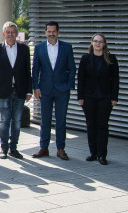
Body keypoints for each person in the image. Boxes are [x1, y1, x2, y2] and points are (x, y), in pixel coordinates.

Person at [32, 21, 76, 160]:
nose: (51, 34)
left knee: (61, 120)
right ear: (45, 32)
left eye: (54, 31)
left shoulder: (67, 47)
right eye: (49, 31)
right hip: (45, 89)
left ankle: (60, 148)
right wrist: (36, 87)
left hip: (62, 89)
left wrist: (69, 84)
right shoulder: (39, 48)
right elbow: (35, 69)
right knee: (45, 120)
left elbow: (72, 68)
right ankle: (43, 148)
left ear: (58, 32)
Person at [0, 21, 32, 159]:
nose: (10, 34)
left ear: (17, 34)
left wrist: (29, 91)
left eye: (13, 32)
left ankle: (13, 148)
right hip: (3, 91)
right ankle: (4, 148)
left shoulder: (24, 49)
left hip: (20, 90)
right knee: (5, 120)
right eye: (7, 32)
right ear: (4, 34)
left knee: (17, 120)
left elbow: (28, 71)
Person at [77, 33, 119, 165]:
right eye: (95, 41)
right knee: (91, 125)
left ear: (104, 44)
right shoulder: (85, 59)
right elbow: (81, 79)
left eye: (100, 42)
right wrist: (80, 96)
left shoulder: (111, 59)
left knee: (102, 125)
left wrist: (114, 97)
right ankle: (93, 153)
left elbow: (116, 80)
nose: (98, 44)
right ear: (91, 43)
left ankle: (102, 154)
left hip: (105, 97)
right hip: (89, 96)